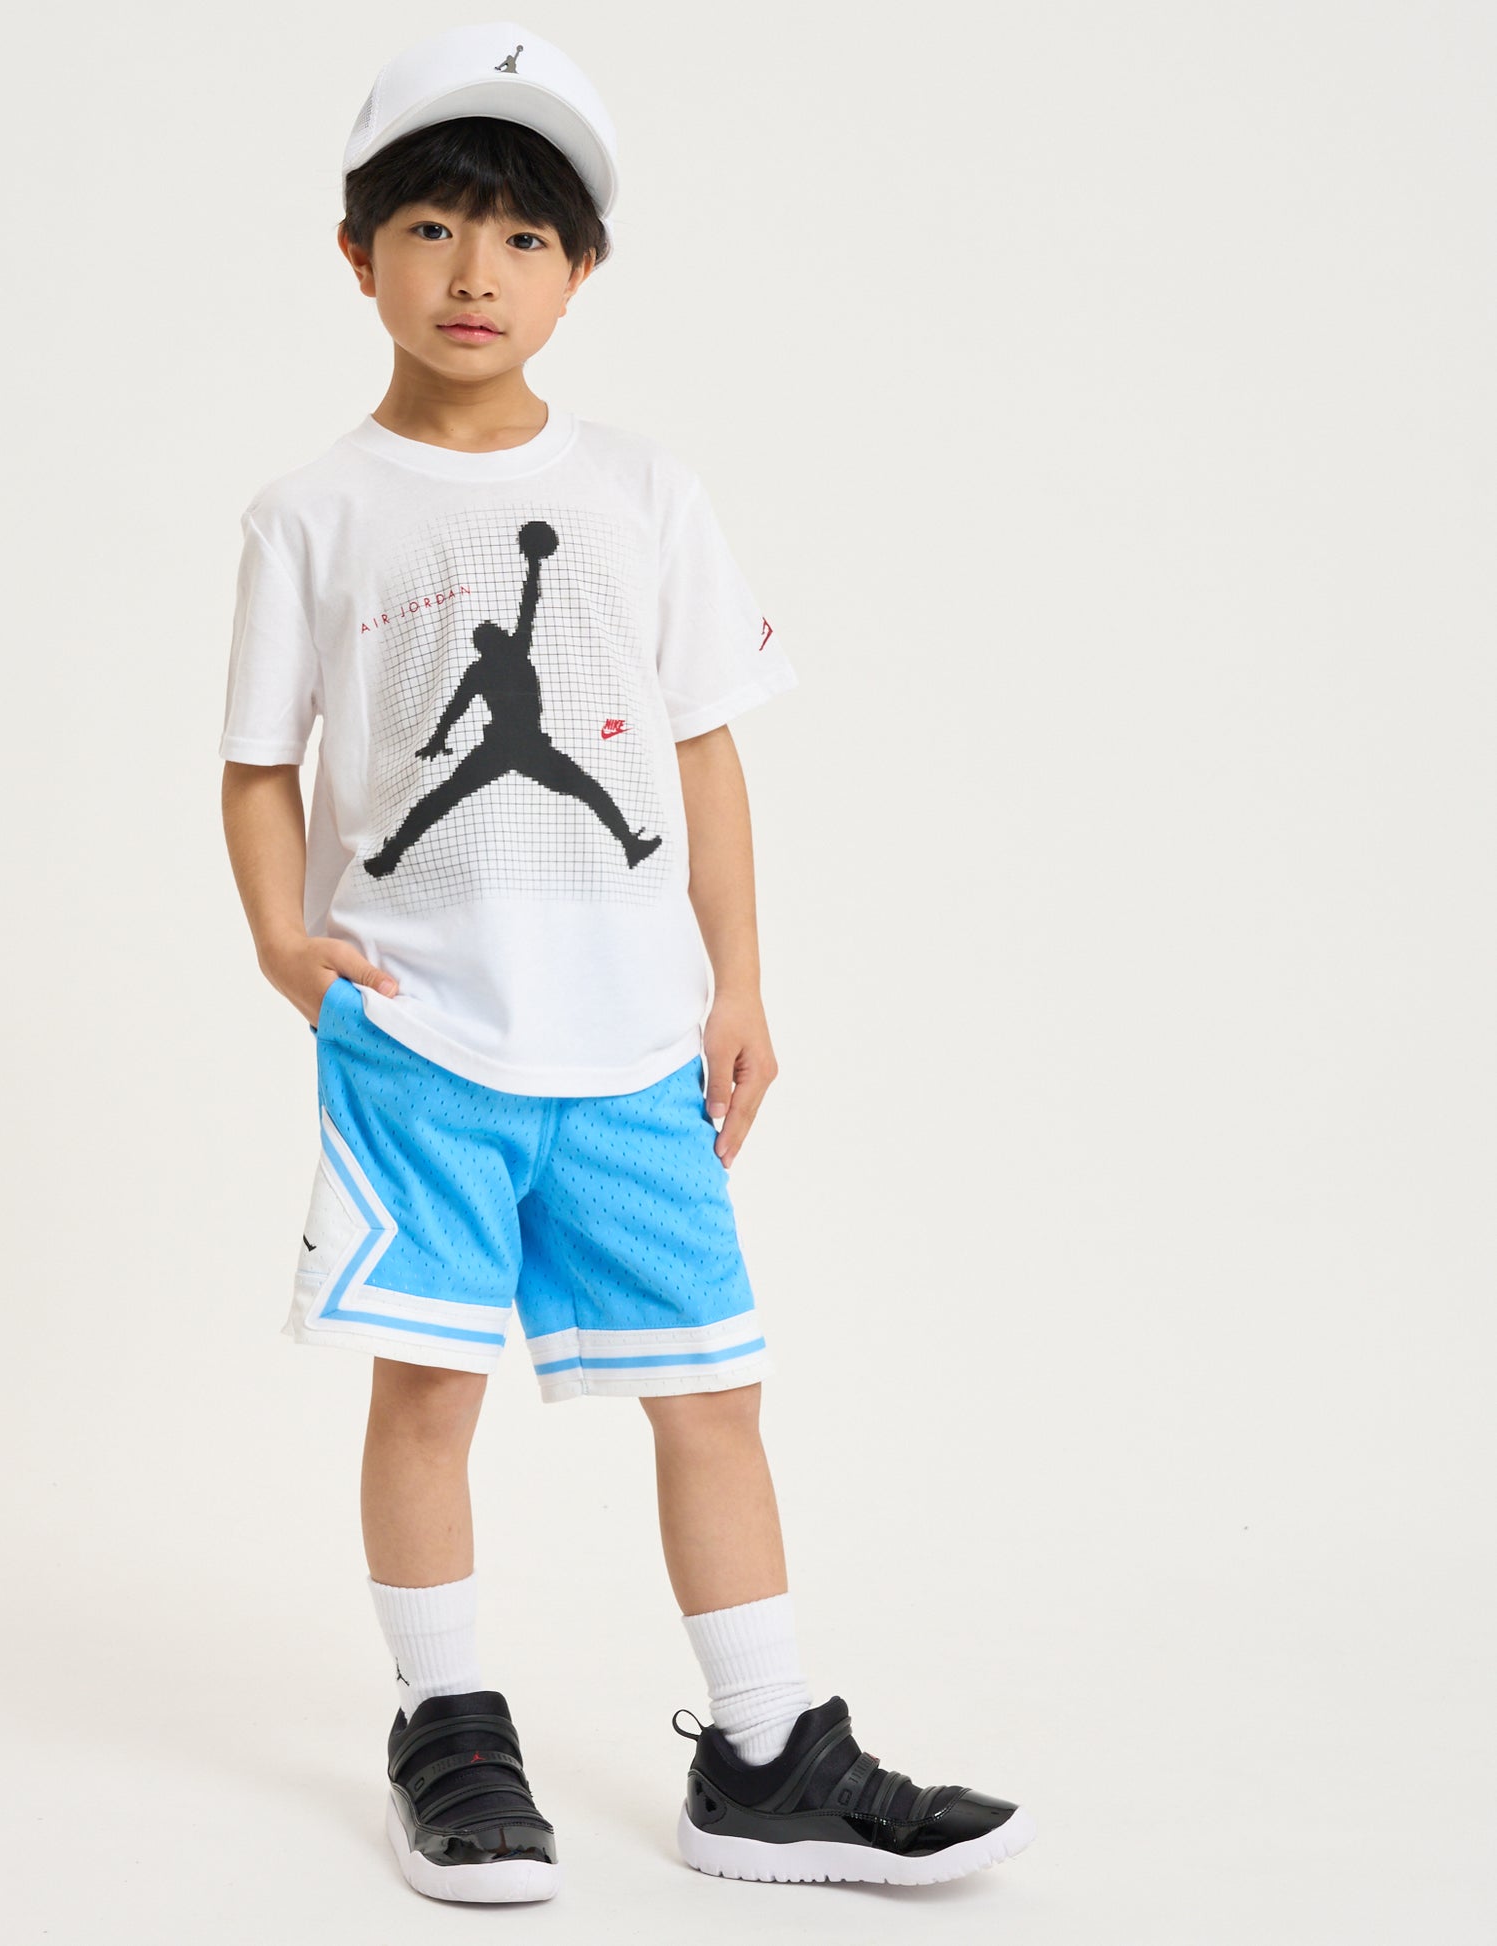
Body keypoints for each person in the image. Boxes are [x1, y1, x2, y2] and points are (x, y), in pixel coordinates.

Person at [217, 20, 1034, 1904]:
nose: (474, 271)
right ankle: (448, 1724)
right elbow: (259, 765)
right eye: (431, 227)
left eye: (521, 237)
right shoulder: (310, 514)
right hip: (419, 1039)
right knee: (429, 1385)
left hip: (634, 1046)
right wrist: (283, 944)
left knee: (712, 1389)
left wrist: (737, 984)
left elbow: (700, 749)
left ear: (579, 270)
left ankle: (764, 1753)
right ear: (358, 256)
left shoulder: (645, 491)